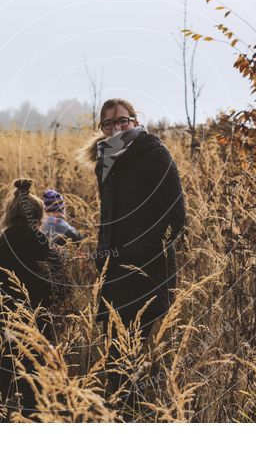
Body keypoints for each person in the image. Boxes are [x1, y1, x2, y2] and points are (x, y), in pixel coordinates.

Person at [82, 98, 186, 412]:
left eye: (122, 121)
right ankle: (124, 410)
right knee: (117, 350)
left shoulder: (154, 154)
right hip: (113, 272)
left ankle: (131, 413)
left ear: (134, 121)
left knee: (127, 349)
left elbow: (176, 216)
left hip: (145, 271)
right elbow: (109, 217)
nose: (115, 128)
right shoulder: (105, 160)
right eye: (108, 123)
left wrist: (138, 252)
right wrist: (104, 255)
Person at [0, 178, 69, 422]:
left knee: (6, 384)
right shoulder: (48, 254)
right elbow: (65, 291)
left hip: (4, 330)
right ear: (39, 220)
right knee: (35, 388)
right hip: (39, 332)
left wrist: (1, 307)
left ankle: (2, 420)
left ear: (8, 216)